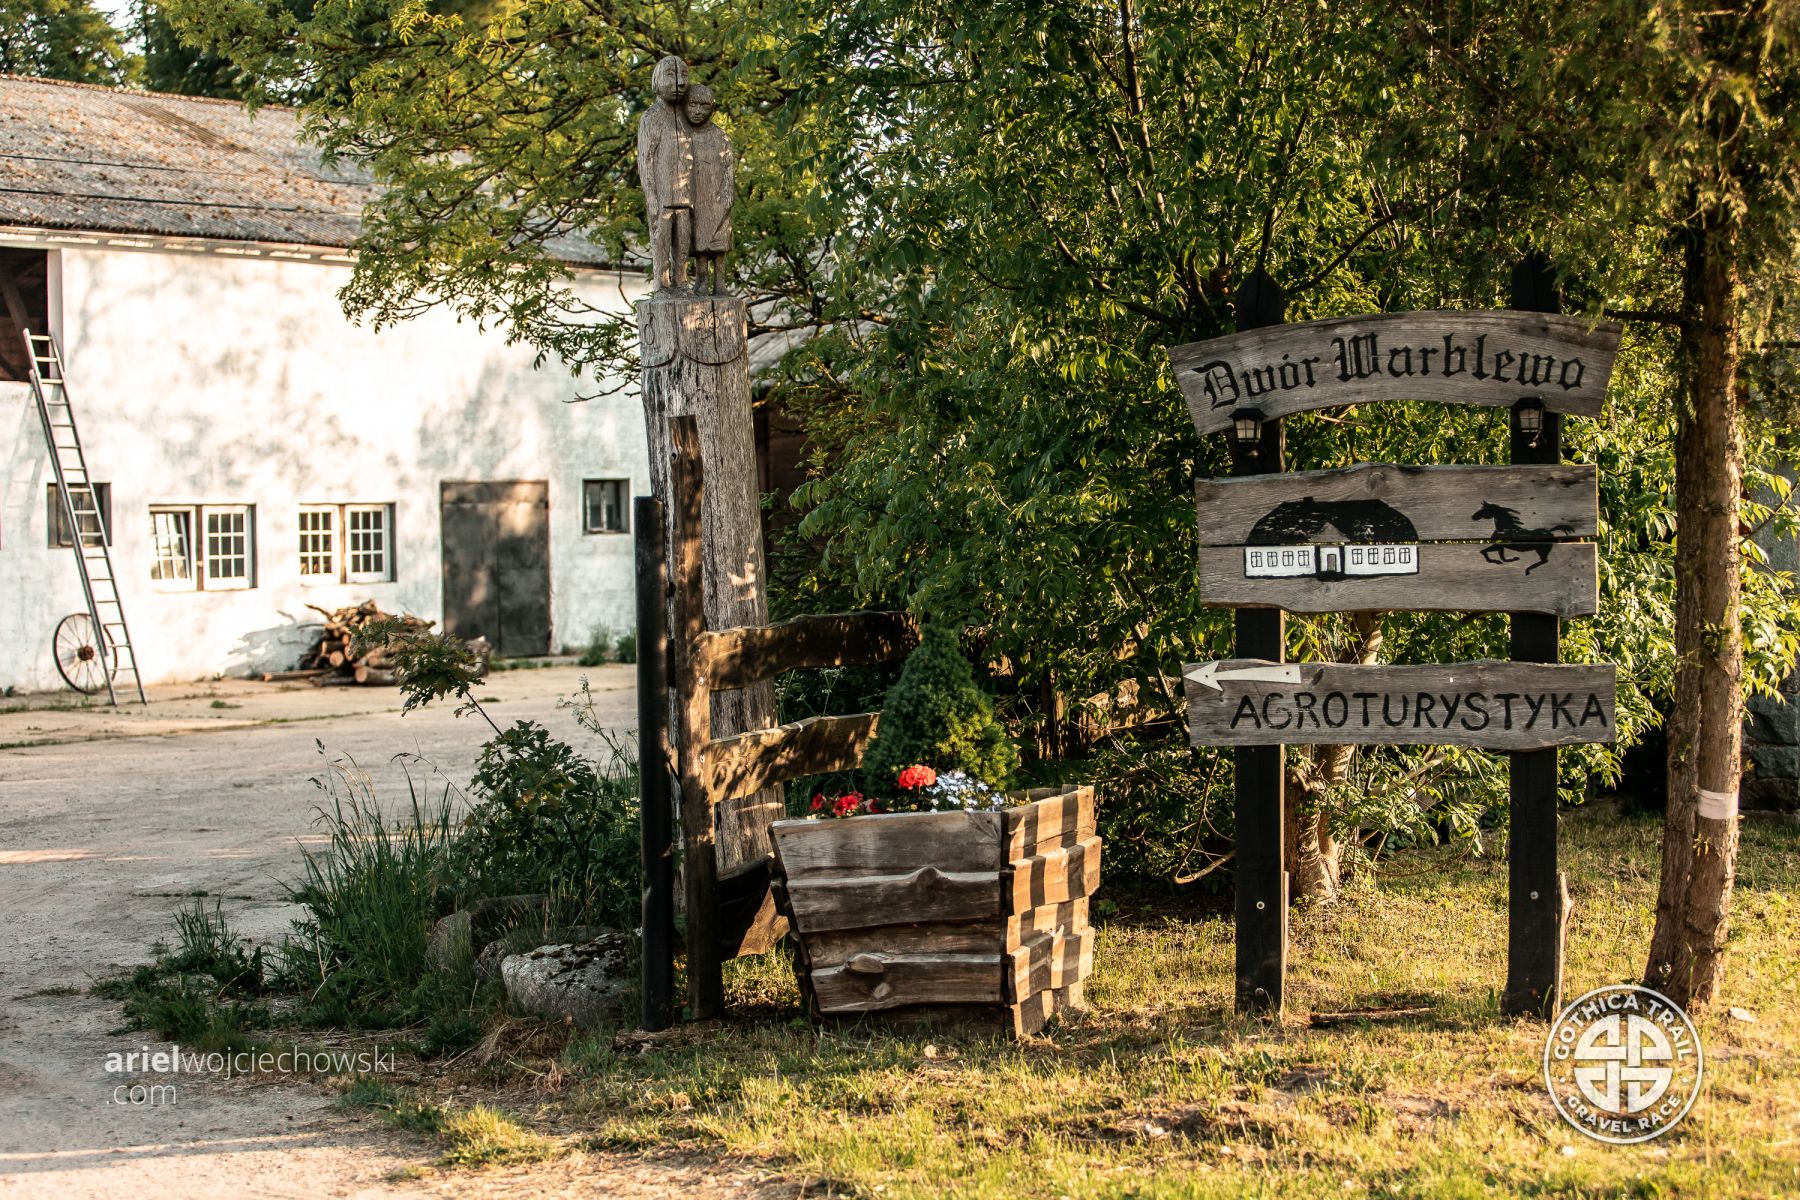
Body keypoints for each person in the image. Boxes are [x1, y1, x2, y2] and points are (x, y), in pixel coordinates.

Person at [637, 55, 692, 291]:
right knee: (661, 239)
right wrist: (651, 196)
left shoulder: (689, 117)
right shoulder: (652, 117)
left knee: (684, 241)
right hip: (662, 196)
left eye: (684, 76)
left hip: (685, 196)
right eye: (671, 75)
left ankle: (682, 281)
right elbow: (645, 160)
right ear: (657, 80)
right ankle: (662, 284)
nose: (680, 82)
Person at [684, 83, 734, 295]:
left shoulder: (720, 137)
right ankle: (701, 280)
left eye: (703, 106)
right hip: (695, 197)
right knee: (699, 242)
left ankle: (720, 282)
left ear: (712, 109)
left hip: (718, 197)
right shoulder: (683, 136)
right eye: (692, 105)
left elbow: (729, 169)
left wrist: (727, 196)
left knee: (719, 241)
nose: (697, 111)